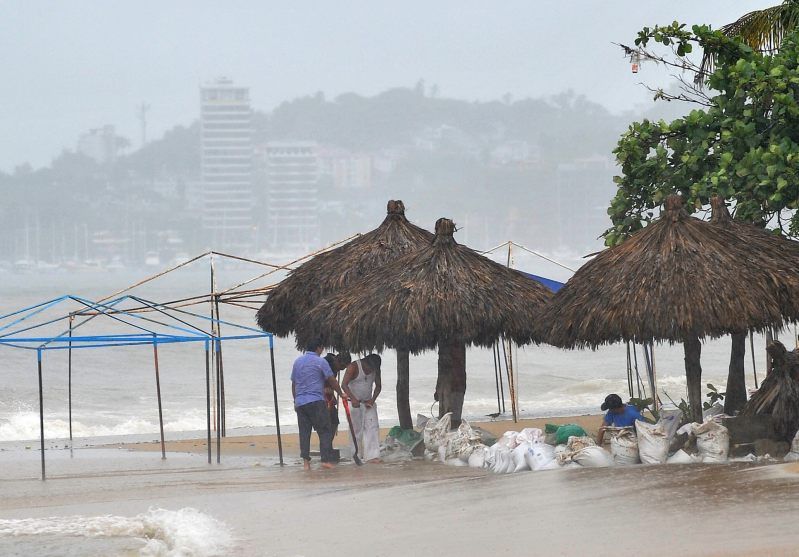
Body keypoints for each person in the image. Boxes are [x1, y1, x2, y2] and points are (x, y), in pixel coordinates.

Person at [291, 338, 345, 470]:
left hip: (300, 402)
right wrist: (341, 393)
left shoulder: (297, 362)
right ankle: (325, 460)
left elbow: (294, 384)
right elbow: (332, 380)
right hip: (316, 401)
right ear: (319, 348)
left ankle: (306, 463)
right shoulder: (321, 362)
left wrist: (295, 400)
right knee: (325, 430)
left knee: (304, 432)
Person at [341, 353, 382, 463]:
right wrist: (353, 398)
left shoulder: (375, 368)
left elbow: (378, 386)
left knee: (372, 427)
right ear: (365, 363)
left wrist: (372, 400)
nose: (370, 371)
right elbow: (344, 385)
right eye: (369, 369)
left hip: (368, 402)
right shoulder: (353, 367)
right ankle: (356, 455)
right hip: (354, 403)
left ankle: (372, 456)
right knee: (356, 431)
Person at [323, 352, 351, 437]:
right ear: (337, 360)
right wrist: (323, 390)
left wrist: (333, 394)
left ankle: (328, 446)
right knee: (326, 423)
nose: (341, 369)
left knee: (334, 421)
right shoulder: (324, 364)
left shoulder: (334, 367)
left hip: (328, 397)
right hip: (318, 396)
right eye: (342, 367)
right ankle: (326, 447)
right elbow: (314, 380)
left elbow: (331, 384)